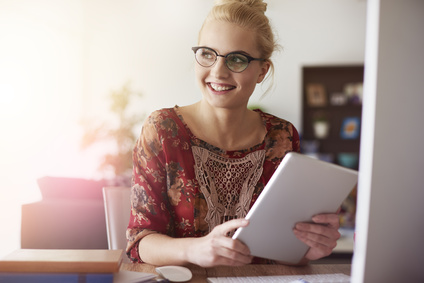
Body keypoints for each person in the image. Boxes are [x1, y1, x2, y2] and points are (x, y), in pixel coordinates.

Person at [126, 0, 341, 267]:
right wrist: (194, 250)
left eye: (237, 59)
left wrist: (311, 247)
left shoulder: (282, 136)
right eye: (207, 54)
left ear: (262, 70)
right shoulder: (161, 130)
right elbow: (140, 241)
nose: (218, 71)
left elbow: (287, 246)